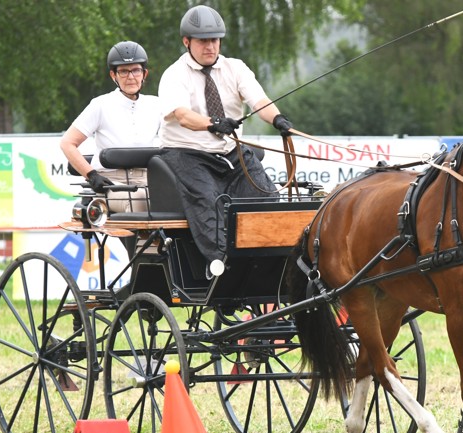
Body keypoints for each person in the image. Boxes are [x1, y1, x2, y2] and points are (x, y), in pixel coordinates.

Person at [158, 5, 293, 278]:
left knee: (267, 197)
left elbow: (260, 101)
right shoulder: (174, 74)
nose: (210, 46)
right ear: (187, 42)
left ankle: (268, 265)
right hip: (188, 154)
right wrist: (212, 123)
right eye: (203, 41)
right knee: (209, 203)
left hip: (231, 152)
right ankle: (220, 268)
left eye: (215, 40)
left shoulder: (236, 68)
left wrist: (278, 119)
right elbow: (182, 116)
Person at [60, 41, 162, 213]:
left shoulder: (157, 104)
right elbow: (67, 143)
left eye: (135, 70)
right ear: (113, 75)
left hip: (148, 179)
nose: (131, 77)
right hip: (111, 182)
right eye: (123, 71)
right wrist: (91, 175)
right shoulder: (100, 104)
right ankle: (148, 241)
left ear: (145, 73)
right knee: (139, 200)